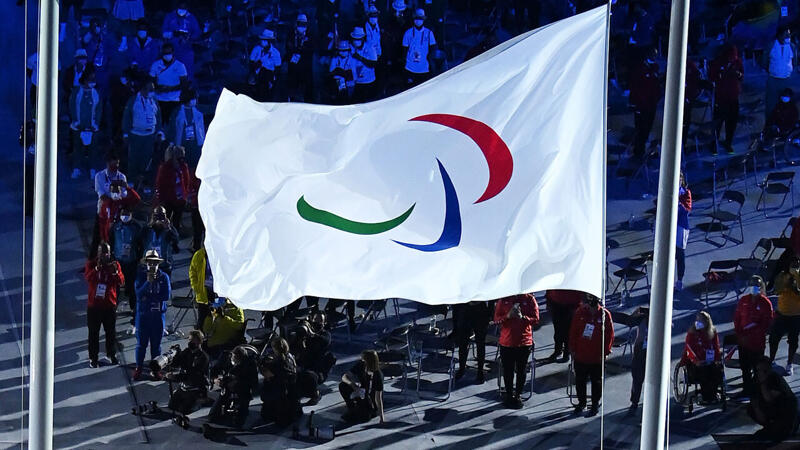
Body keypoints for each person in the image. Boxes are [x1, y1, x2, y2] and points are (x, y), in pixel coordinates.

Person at [569, 293, 614, 416]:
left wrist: (605, 352)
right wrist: (572, 349)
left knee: (596, 382)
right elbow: (573, 331)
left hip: (596, 357)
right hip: (581, 355)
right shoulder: (580, 312)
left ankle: (594, 404)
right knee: (580, 381)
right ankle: (581, 402)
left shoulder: (605, 315)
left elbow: (609, 336)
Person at [494, 293, 540, 409]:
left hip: (524, 342)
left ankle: (518, 394)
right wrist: (507, 316)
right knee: (508, 370)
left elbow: (536, 319)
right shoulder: (503, 299)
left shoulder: (529, 299)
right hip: (506, 342)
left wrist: (523, 317)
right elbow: (496, 319)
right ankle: (509, 394)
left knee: (521, 370)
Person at [84, 242, 124, 368]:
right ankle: (93, 358)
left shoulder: (114, 265)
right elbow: (88, 278)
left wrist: (115, 273)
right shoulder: (91, 264)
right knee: (93, 333)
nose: (105, 255)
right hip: (94, 306)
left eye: (107, 252)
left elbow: (121, 282)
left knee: (110, 332)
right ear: (98, 253)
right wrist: (97, 269)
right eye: (102, 252)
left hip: (109, 305)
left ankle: (111, 354)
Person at [133, 249, 171, 381]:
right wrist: (148, 283)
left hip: (158, 316)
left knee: (156, 345)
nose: (153, 265)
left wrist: (149, 297)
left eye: (155, 262)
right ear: (146, 263)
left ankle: (155, 370)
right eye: (150, 262)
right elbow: (138, 294)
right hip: (143, 316)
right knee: (141, 344)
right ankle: (139, 368)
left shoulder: (164, 277)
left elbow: (166, 295)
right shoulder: (141, 276)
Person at [734, 276, 774, 396]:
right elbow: (737, 318)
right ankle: (746, 390)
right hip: (743, 341)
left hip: (756, 343)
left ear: (761, 287)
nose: (754, 288)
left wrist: (751, 334)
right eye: (752, 285)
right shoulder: (743, 300)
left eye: (756, 286)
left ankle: (758, 392)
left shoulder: (765, 303)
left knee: (758, 369)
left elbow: (766, 323)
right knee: (745, 367)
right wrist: (740, 334)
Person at [122, 80, 164, 185]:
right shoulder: (133, 101)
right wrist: (125, 134)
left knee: (147, 160)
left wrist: (159, 132)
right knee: (134, 158)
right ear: (142, 89)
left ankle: (145, 182)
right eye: (150, 90)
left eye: (153, 90)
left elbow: (158, 116)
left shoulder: (154, 101)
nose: (152, 92)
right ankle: (131, 179)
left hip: (150, 135)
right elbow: (127, 117)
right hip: (135, 135)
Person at [749, 357, 799, 441]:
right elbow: (754, 401)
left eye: (764, 370)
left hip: (786, 413)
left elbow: (769, 399)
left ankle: (784, 429)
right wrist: (757, 409)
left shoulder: (775, 379)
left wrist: (763, 383)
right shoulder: (755, 380)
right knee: (751, 409)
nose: (761, 372)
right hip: (773, 412)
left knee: (779, 434)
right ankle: (770, 427)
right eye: (758, 370)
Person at [209, 345, 259, 428]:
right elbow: (214, 370)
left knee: (238, 422)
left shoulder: (250, 363)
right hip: (226, 388)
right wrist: (215, 380)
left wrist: (238, 382)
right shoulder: (225, 358)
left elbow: (254, 382)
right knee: (212, 416)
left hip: (242, 391)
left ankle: (240, 411)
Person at [90, 154, 129, 258]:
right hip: (102, 214)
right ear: (107, 164)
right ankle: (93, 262)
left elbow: (125, 194)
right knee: (98, 239)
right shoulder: (99, 176)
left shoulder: (121, 177)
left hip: (117, 214)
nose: (115, 168)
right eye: (113, 165)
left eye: (117, 165)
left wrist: (122, 188)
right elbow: (102, 195)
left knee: (115, 239)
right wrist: (113, 199)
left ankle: (114, 260)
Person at [681, 311, 723, 403]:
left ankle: (713, 394)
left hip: (709, 361)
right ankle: (707, 397)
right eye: (697, 319)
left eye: (701, 320)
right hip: (695, 363)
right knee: (703, 371)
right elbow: (689, 348)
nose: (698, 321)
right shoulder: (692, 333)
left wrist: (717, 359)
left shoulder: (712, 332)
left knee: (716, 370)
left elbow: (716, 347)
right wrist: (696, 360)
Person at [709, 44, 743, 154]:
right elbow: (712, 77)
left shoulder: (737, 62)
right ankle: (714, 144)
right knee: (718, 122)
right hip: (721, 97)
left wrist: (737, 74)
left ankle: (728, 142)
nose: (733, 59)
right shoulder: (718, 62)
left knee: (732, 121)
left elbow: (742, 76)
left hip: (733, 96)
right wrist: (722, 73)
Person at [260, 336, 302, 426]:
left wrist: (262, 365)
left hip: (280, 389)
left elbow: (267, 374)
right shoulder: (290, 357)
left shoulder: (279, 363)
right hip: (290, 388)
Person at [166, 330, 210, 416]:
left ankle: (200, 401)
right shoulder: (187, 351)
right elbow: (176, 364)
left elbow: (193, 375)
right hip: (184, 386)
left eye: (192, 340)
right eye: (189, 340)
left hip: (196, 387)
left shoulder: (203, 357)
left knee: (184, 410)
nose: (190, 342)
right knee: (172, 406)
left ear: (199, 341)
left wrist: (175, 377)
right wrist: (174, 355)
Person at [68, 69, 102, 180]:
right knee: (78, 148)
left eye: (94, 80)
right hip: (78, 126)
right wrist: (75, 121)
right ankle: (76, 169)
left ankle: (92, 170)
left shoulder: (96, 93)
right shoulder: (76, 92)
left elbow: (99, 110)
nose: (92, 82)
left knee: (93, 149)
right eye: (90, 80)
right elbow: (72, 106)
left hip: (92, 128)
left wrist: (95, 123)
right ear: (84, 80)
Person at [628, 47, 661, 158]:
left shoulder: (655, 68)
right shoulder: (640, 69)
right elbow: (635, 87)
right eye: (652, 54)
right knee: (640, 129)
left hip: (652, 104)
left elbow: (656, 85)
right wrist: (637, 104)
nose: (654, 57)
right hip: (641, 106)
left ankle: (642, 151)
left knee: (647, 128)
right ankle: (638, 152)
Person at [769, 258, 800, 375]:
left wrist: (796, 276)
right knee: (773, 339)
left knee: (793, 341)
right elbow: (777, 291)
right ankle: (771, 360)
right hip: (782, 314)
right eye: (793, 264)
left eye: (797, 265)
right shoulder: (782, 275)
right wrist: (787, 281)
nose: (795, 266)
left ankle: (789, 363)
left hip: (796, 316)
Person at [109, 206, 141, 315]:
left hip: (131, 261)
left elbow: (140, 243)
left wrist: (139, 257)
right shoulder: (116, 226)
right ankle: (114, 307)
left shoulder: (136, 227)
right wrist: (112, 257)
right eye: (123, 213)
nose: (125, 216)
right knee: (116, 286)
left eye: (127, 214)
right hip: (118, 260)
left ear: (131, 214)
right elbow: (111, 241)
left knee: (132, 286)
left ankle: (133, 307)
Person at [339, 349, 385, 423]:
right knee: (343, 385)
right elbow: (345, 376)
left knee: (362, 417)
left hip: (370, 400)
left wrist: (381, 417)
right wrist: (353, 385)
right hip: (362, 392)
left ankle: (360, 411)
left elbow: (378, 398)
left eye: (364, 359)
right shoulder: (361, 365)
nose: (362, 360)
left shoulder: (378, 375)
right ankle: (351, 407)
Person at [453, 300, 493, 383]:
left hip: (480, 311)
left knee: (480, 343)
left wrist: (490, 313)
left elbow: (491, 296)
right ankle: (461, 368)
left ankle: (480, 371)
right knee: (463, 343)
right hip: (465, 309)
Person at [154, 145, 191, 233]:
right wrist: (160, 198)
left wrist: (185, 195)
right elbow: (160, 184)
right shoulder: (165, 168)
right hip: (168, 199)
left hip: (180, 199)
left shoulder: (183, 166)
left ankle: (174, 241)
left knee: (177, 221)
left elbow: (186, 182)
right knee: (165, 220)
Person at [149, 43, 188, 123]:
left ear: (173, 52)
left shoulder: (180, 66)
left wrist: (170, 89)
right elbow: (150, 81)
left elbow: (184, 84)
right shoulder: (156, 65)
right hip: (159, 99)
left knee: (173, 122)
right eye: (165, 53)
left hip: (175, 99)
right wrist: (157, 88)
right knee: (159, 122)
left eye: (169, 53)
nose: (167, 55)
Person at [168, 88, 205, 169]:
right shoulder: (177, 111)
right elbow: (172, 127)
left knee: (196, 166)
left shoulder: (198, 109)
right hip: (182, 144)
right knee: (183, 167)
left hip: (196, 144)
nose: (196, 100)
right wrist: (171, 143)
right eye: (194, 98)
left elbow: (212, 108)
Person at [544, 290, 584, 363]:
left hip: (571, 305)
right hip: (556, 303)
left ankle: (566, 353)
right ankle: (558, 350)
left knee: (568, 332)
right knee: (557, 331)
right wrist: (548, 300)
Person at [138, 206, 180, 276]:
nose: (159, 218)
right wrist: (150, 224)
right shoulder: (147, 228)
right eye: (157, 215)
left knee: (164, 284)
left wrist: (168, 228)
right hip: (149, 264)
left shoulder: (169, 229)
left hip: (165, 264)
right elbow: (138, 239)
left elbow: (176, 240)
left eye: (162, 215)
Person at [401, 9, 436, 87]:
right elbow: (404, 50)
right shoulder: (408, 33)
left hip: (424, 68)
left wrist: (428, 60)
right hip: (410, 68)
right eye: (416, 18)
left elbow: (433, 49)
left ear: (423, 19)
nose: (418, 20)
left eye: (420, 18)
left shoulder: (429, 33)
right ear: (414, 19)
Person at [766, 29, 794, 120]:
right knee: (771, 106)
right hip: (773, 81)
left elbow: (795, 60)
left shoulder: (792, 46)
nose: (788, 37)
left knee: (786, 104)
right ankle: (769, 127)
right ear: (779, 35)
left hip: (786, 80)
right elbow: (764, 61)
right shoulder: (771, 46)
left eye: (789, 35)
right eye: (786, 35)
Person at [286, 14, 314, 103]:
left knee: (308, 87)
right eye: (300, 24)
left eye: (304, 24)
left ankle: (308, 102)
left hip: (306, 66)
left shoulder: (310, 36)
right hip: (293, 66)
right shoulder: (291, 34)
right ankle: (291, 101)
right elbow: (288, 47)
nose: (301, 26)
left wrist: (302, 48)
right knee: (292, 85)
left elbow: (311, 50)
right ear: (296, 24)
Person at [249, 29, 282, 102]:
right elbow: (251, 62)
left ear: (269, 41)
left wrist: (273, 81)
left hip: (269, 76)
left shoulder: (275, 53)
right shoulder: (256, 49)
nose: (262, 42)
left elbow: (278, 68)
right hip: (257, 73)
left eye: (265, 40)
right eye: (262, 40)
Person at [189, 245, 214, 330]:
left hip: (216, 292)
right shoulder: (199, 255)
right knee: (202, 319)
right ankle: (200, 340)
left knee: (216, 319)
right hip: (203, 292)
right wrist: (195, 286)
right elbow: (192, 271)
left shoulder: (219, 254)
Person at [351, 26, 378, 102]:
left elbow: (373, 64)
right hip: (357, 82)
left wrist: (360, 58)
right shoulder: (351, 48)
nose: (356, 41)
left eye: (358, 39)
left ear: (363, 38)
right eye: (355, 39)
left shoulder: (370, 48)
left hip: (369, 82)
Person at [629, 306, 649, 410]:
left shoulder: (658, 320)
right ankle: (634, 401)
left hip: (650, 349)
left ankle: (641, 401)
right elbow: (630, 320)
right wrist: (637, 311)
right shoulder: (642, 319)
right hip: (640, 348)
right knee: (637, 376)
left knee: (643, 376)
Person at [675, 172, 692, 291]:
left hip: (681, 226)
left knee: (680, 254)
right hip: (670, 225)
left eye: (680, 179)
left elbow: (687, 209)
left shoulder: (686, 193)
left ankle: (679, 279)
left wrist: (678, 203)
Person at [329, 40, 357, 104]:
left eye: (345, 50)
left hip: (350, 84)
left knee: (349, 100)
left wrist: (340, 72)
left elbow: (354, 74)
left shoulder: (352, 59)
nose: (343, 52)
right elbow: (331, 72)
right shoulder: (335, 59)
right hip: (337, 84)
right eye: (341, 50)